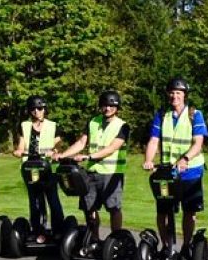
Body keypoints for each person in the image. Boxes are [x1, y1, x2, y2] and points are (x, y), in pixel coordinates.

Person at [143, 78, 207, 260]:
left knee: (189, 211)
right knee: (163, 210)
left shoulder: (195, 115)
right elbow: (154, 140)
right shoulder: (162, 115)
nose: (174, 96)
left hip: (190, 171)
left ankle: (186, 247)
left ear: (184, 95)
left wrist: (185, 159)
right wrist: (148, 160)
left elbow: (198, 142)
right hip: (167, 171)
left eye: (178, 93)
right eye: (171, 92)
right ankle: (167, 247)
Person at [54, 90, 130, 246]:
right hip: (92, 173)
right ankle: (94, 239)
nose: (107, 108)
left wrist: (88, 157)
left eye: (111, 105)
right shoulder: (93, 122)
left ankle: (115, 241)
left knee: (113, 207)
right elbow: (81, 143)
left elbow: (112, 148)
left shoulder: (123, 126)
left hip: (112, 174)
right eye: (105, 105)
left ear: (117, 107)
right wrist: (63, 155)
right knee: (89, 207)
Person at [13, 95, 65, 242]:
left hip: (47, 168)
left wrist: (53, 151)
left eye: (39, 108)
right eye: (33, 109)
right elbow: (20, 147)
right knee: (35, 201)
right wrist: (18, 151)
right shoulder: (24, 125)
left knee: (52, 199)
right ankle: (38, 230)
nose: (36, 111)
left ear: (44, 109)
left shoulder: (53, 126)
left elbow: (58, 146)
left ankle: (58, 231)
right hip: (31, 168)